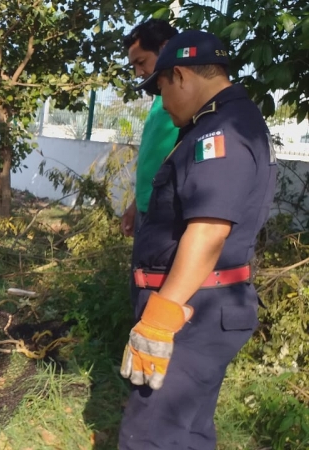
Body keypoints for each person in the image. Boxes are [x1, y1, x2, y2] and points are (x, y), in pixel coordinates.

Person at [119, 30, 277, 448]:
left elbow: (209, 231)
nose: (162, 102)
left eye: (160, 88)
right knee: (185, 432)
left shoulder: (221, 133)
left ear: (181, 75)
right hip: (197, 307)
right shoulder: (219, 123)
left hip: (191, 312)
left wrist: (159, 321)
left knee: (151, 436)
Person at [121, 19, 179, 238]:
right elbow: (155, 162)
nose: (138, 72)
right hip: (148, 209)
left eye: (141, 62)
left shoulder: (187, 103)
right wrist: (137, 204)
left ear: (165, 48)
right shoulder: (160, 99)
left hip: (168, 216)